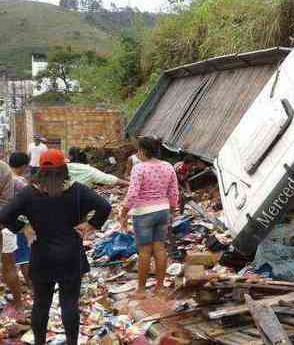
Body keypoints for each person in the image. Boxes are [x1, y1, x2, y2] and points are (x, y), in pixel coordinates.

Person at [0, 149, 112, 345]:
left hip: (42, 255)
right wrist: (91, 225)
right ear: (64, 169)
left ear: (40, 171)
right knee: (69, 303)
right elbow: (104, 206)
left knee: (41, 304)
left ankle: (40, 342)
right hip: (71, 255)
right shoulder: (77, 190)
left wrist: (23, 227)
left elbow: (4, 215)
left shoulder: (29, 193)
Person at [120, 136, 178, 299]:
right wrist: (171, 209)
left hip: (144, 212)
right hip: (163, 211)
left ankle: (141, 290)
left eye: (139, 150)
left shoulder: (139, 168)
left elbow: (132, 193)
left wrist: (124, 212)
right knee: (159, 248)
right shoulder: (168, 166)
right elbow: (174, 192)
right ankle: (159, 287)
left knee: (144, 251)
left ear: (143, 151)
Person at [0, 161, 26, 320]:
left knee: (8, 264)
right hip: (4, 222)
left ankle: (19, 303)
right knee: (8, 264)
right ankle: (19, 304)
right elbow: (6, 202)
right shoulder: (3, 168)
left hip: (3, 223)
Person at [8, 152, 32, 288]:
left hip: (5, 222)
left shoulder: (4, 177)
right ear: (23, 166)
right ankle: (30, 286)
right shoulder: (20, 182)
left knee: (8, 257)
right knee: (24, 257)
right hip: (18, 223)